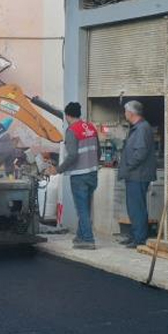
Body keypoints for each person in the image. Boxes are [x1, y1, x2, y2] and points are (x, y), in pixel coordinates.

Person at [53, 102, 100, 250]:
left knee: (82, 209)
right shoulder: (91, 127)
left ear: (67, 116)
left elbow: (72, 155)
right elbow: (98, 151)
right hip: (92, 173)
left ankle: (88, 239)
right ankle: (80, 235)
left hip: (80, 175)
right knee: (85, 207)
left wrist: (58, 169)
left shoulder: (72, 130)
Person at [118, 101, 157, 249]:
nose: (125, 114)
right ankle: (135, 235)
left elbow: (140, 153)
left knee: (137, 207)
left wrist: (128, 166)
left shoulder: (142, 129)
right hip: (135, 174)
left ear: (132, 113)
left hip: (138, 174)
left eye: (126, 111)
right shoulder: (138, 128)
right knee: (134, 207)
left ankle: (140, 238)